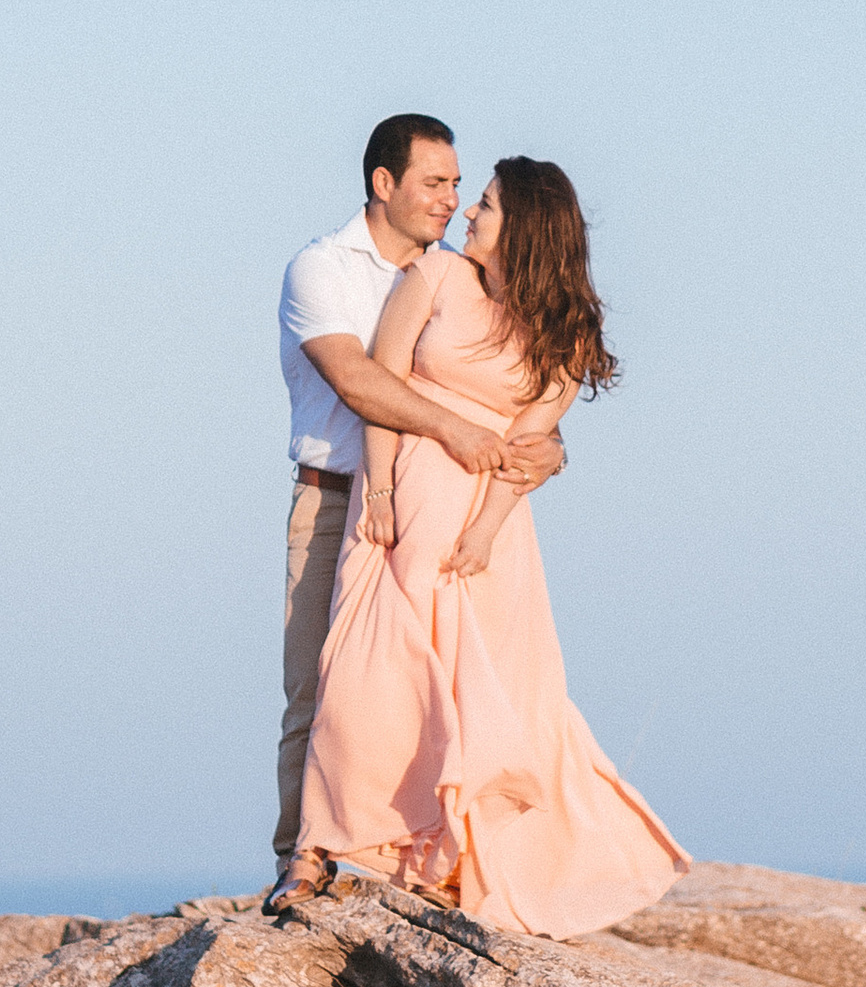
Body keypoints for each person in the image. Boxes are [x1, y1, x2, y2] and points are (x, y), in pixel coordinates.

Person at [284, 155, 686, 937]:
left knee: (483, 697)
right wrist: (386, 493)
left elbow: (533, 446)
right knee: (363, 682)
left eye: (489, 206)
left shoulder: (566, 333)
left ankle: (453, 864)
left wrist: (483, 531)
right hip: (397, 510)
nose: (469, 213)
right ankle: (316, 850)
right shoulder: (434, 277)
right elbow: (378, 385)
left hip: (485, 536)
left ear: (526, 230)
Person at [270, 115, 564, 892]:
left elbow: (517, 398)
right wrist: (456, 432)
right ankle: (299, 862)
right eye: (436, 183)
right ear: (384, 184)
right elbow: (360, 381)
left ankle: (410, 858)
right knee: (323, 688)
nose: (453, 199)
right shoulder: (322, 269)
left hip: (437, 512)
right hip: (339, 499)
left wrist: (546, 451)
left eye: (461, 185)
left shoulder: (457, 276)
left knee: (427, 687)